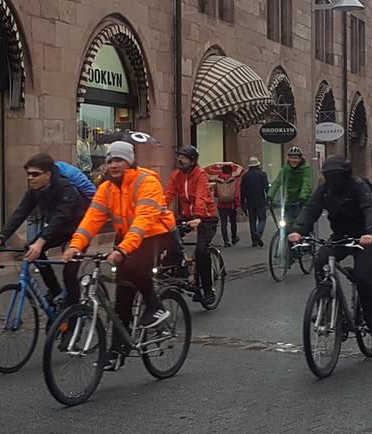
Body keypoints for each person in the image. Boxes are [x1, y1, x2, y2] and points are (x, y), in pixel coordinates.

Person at [62, 140, 174, 369]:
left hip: (156, 234)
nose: (113, 165)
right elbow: (91, 220)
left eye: (119, 160)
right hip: (128, 237)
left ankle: (156, 306)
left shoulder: (146, 181)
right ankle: (116, 352)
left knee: (133, 267)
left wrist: (122, 249)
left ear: (130, 161)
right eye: (110, 160)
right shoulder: (107, 188)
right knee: (122, 295)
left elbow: (143, 220)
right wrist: (75, 246)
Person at [287, 156, 372, 345]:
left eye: (335, 176)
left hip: (364, 238)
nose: (331, 180)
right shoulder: (325, 191)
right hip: (340, 237)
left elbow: (370, 209)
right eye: (328, 176)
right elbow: (310, 209)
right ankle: (326, 308)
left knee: (363, 277)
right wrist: (297, 230)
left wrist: (371, 232)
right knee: (320, 261)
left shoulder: (358, 186)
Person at [0, 154, 91, 306]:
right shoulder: (35, 190)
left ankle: (73, 312)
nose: (30, 178)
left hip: (79, 231)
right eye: (28, 174)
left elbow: (60, 218)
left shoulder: (65, 187)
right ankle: (55, 291)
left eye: (35, 174)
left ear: (48, 174)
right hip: (58, 230)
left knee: (69, 273)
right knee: (32, 248)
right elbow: (19, 214)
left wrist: (40, 242)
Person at [166, 146, 216, 304]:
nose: (180, 161)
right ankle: (180, 267)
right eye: (179, 157)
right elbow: (168, 195)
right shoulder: (176, 176)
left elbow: (201, 196)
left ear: (192, 161)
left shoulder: (200, 175)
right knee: (166, 235)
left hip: (206, 216)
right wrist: (156, 211)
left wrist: (198, 216)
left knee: (201, 252)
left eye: (184, 158)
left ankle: (208, 290)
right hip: (187, 215)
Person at [267, 147, 314, 231]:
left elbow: (306, 183)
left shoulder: (306, 169)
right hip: (290, 201)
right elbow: (277, 182)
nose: (293, 160)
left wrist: (303, 197)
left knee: (302, 225)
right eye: (291, 158)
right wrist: (270, 195)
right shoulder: (286, 169)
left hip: (303, 201)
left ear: (300, 159)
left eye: (296, 158)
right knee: (286, 226)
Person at [208, 162, 244, 247]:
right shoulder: (234, 180)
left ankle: (226, 241)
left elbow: (216, 194)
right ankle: (234, 238)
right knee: (233, 222)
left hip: (221, 204)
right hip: (231, 204)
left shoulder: (218, 180)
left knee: (224, 223)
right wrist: (237, 204)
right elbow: (236, 194)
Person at [240, 157, 268, 247]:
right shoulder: (262, 174)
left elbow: (242, 191)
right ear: (258, 164)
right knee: (262, 219)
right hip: (260, 201)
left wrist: (242, 203)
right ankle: (258, 234)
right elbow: (266, 187)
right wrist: (269, 198)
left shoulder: (245, 176)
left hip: (249, 202)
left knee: (252, 221)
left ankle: (254, 241)